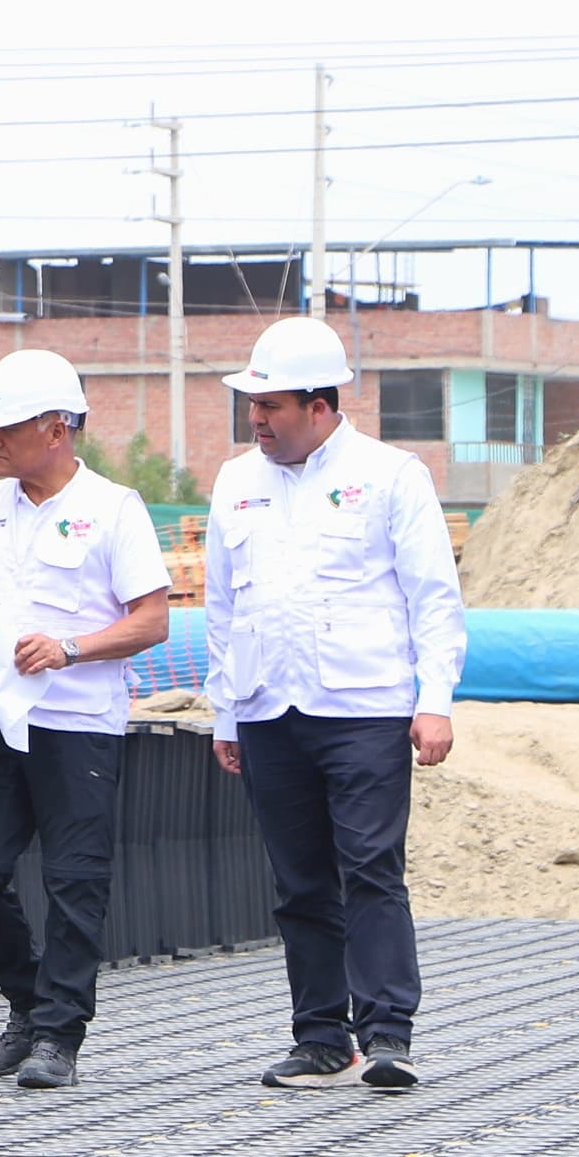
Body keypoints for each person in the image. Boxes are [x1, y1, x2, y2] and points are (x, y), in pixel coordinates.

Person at [207, 318, 467, 1092]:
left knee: (370, 870)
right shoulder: (235, 483)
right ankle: (322, 1037)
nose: (257, 419)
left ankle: (387, 1031)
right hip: (269, 713)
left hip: (364, 707)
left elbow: (433, 597)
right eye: (251, 404)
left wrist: (436, 701)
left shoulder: (391, 475)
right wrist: (227, 714)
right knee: (299, 883)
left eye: (273, 406)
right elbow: (223, 610)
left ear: (321, 406)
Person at [0, 349, 173, 1092]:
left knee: (75, 882)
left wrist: (72, 649)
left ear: (57, 427)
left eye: (7, 427)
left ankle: (58, 1036)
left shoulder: (114, 509)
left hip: (78, 725)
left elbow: (154, 620)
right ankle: (29, 998)